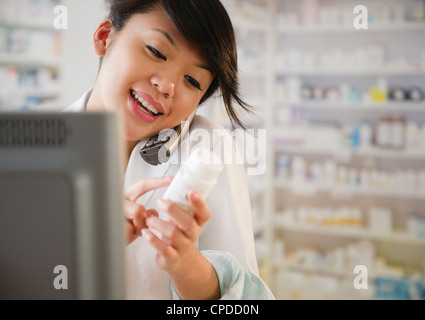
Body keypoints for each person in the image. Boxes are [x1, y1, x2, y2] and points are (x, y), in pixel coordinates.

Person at [64, 0, 274, 300]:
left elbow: (247, 300)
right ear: (104, 36)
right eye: (156, 51)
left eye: (192, 80)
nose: (167, 87)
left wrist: (185, 265)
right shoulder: (31, 151)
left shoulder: (208, 149)